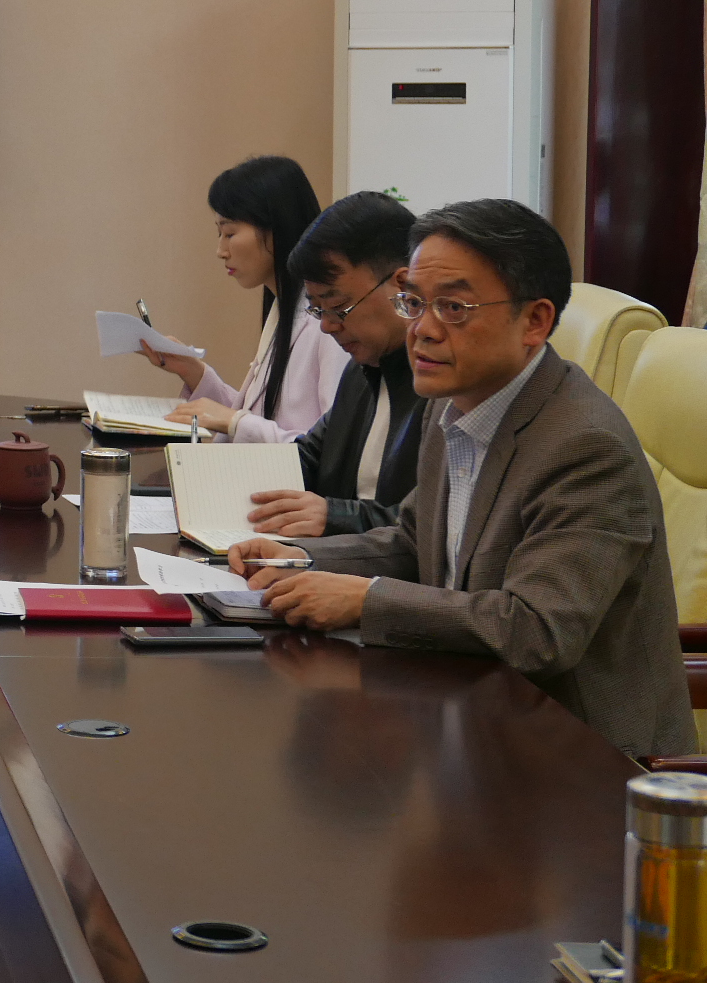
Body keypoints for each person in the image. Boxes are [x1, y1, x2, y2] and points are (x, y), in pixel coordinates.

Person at [227, 199, 692, 760]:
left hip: (579, 760)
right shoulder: (451, 405)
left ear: (535, 321)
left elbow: (537, 632)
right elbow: (413, 541)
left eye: (452, 307)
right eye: (414, 302)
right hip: (471, 718)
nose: (421, 330)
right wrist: (299, 559)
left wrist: (366, 600)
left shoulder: (585, 448)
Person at [243, 191, 423, 537]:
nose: (326, 326)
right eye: (317, 309)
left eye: (339, 307)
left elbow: (438, 525)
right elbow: (307, 458)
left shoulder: (445, 383)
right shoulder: (361, 371)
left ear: (402, 286)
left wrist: (336, 516)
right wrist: (203, 478)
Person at [138, 155, 348, 441]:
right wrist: (193, 371)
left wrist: (236, 421)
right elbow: (255, 416)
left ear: (275, 229)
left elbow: (331, 448)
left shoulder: (328, 323)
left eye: (229, 233)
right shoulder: (283, 307)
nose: (221, 251)